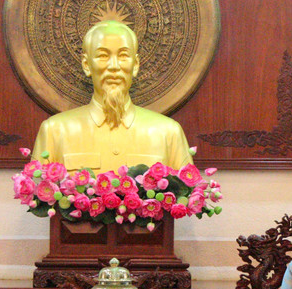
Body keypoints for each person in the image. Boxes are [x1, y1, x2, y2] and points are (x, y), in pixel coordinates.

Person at [32, 20, 193, 174]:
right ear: (87, 65)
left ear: (135, 65)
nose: (114, 66)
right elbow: (39, 198)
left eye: (123, 56)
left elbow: (186, 198)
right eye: (103, 56)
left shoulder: (168, 132)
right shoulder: (55, 131)